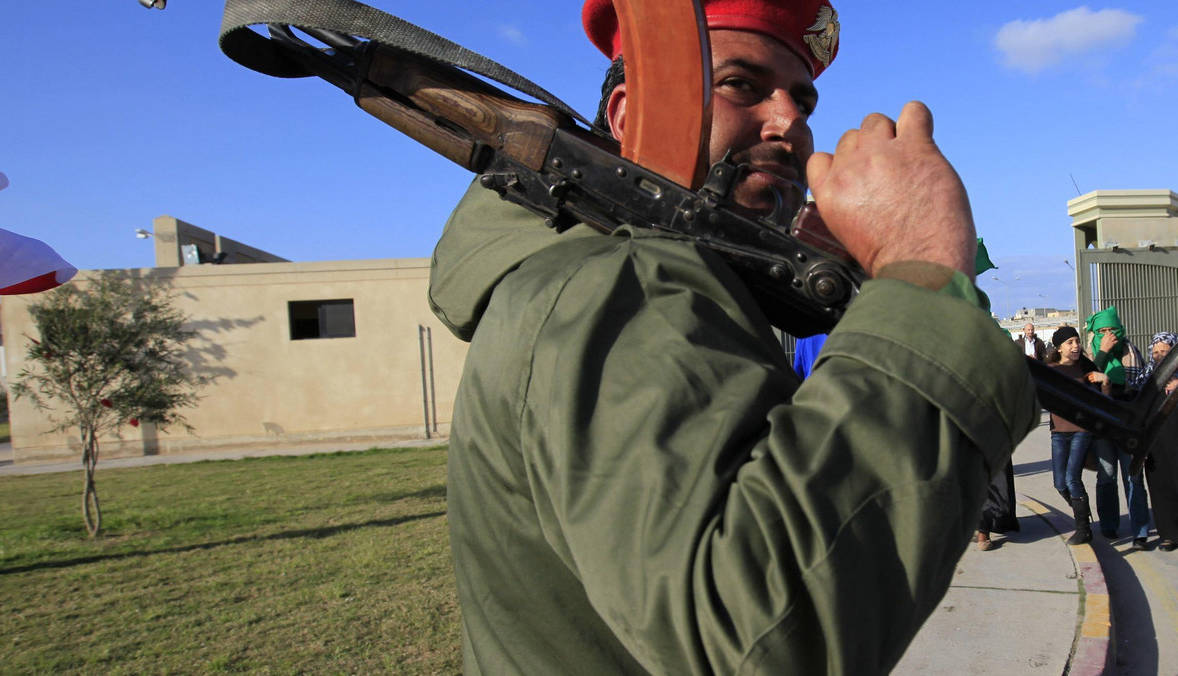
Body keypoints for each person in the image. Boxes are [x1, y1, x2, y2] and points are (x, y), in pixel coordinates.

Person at [428, 1, 1038, 672]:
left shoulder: (587, 273)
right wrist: (917, 264)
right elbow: (765, 636)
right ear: (631, 117)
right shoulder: (622, 285)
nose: (791, 125)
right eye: (741, 86)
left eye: (802, 100)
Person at [1084, 306, 1151, 550]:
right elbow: (1085, 381)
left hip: (1128, 422)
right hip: (1102, 424)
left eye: (1112, 329)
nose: (1109, 334)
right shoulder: (1090, 353)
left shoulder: (1131, 351)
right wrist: (1102, 352)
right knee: (1107, 475)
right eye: (1102, 330)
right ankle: (1109, 524)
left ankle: (1140, 531)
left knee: (1133, 476)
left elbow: (1143, 386)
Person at [1046, 325, 1108, 545]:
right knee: (1059, 483)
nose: (1075, 346)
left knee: (1072, 479)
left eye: (1077, 341)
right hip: (1058, 432)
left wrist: (1105, 381)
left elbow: (1102, 402)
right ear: (1059, 348)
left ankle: (1083, 530)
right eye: (1070, 342)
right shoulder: (1049, 370)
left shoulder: (1085, 369)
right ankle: (1083, 517)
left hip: (1081, 431)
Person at [1141, 332, 1178, 551]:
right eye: (1155, 352)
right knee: (1161, 485)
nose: (1160, 356)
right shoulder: (1148, 379)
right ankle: (1169, 534)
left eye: (1165, 351)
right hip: (1157, 442)